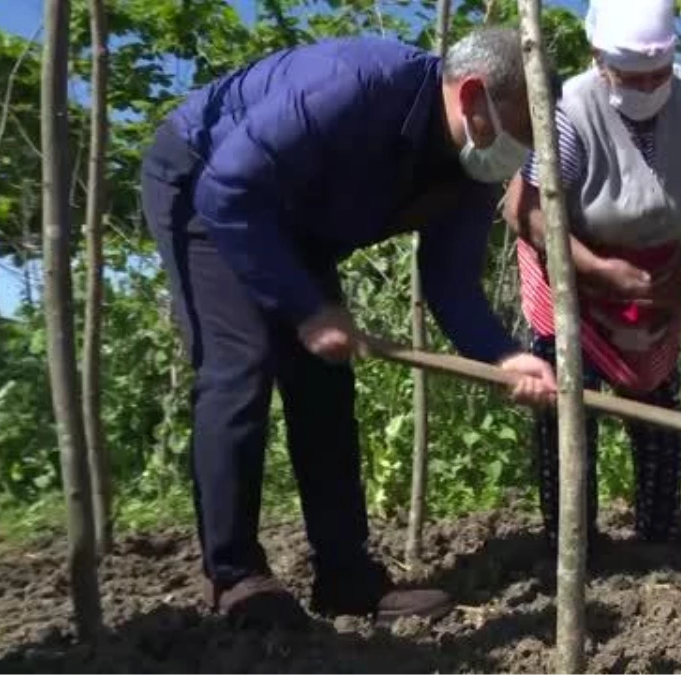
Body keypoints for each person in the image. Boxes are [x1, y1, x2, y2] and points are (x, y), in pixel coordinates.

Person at [140, 27, 560, 629]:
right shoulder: (355, 87)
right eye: (521, 131)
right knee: (244, 361)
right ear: (471, 96)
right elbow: (229, 190)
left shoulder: (471, 168)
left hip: (292, 217)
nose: (520, 153)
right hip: (206, 182)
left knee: (325, 380)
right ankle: (235, 578)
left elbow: (450, 281)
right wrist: (306, 308)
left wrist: (501, 356)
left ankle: (346, 577)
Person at [502, 0, 681, 554]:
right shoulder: (568, 108)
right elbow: (525, 213)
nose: (646, 87)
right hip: (573, 268)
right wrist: (596, 270)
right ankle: (571, 540)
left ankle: (658, 536)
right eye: (632, 77)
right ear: (599, 59)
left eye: (657, 75)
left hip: (652, 272)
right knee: (568, 408)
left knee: (659, 407)